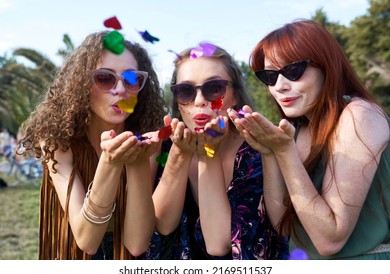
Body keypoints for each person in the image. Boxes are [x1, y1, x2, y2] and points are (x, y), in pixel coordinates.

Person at [228, 19, 390, 259]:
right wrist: (271, 152)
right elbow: (283, 225)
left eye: (293, 71)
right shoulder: (298, 129)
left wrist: (284, 152)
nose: (280, 86)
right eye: (270, 76)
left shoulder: (358, 115)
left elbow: (329, 239)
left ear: (327, 67)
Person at [17, 30, 167, 259]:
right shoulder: (59, 142)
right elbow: (87, 241)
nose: (120, 89)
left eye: (132, 79)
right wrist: (109, 162)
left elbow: (137, 245)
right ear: (81, 84)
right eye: (105, 78)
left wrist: (137, 163)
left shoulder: (146, 139)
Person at [142, 42, 289, 260]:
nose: (200, 101)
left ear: (235, 95)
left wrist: (208, 152)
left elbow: (218, 245)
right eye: (185, 91)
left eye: (214, 89)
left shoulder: (258, 149)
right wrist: (179, 155)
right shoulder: (165, 148)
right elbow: (162, 225)